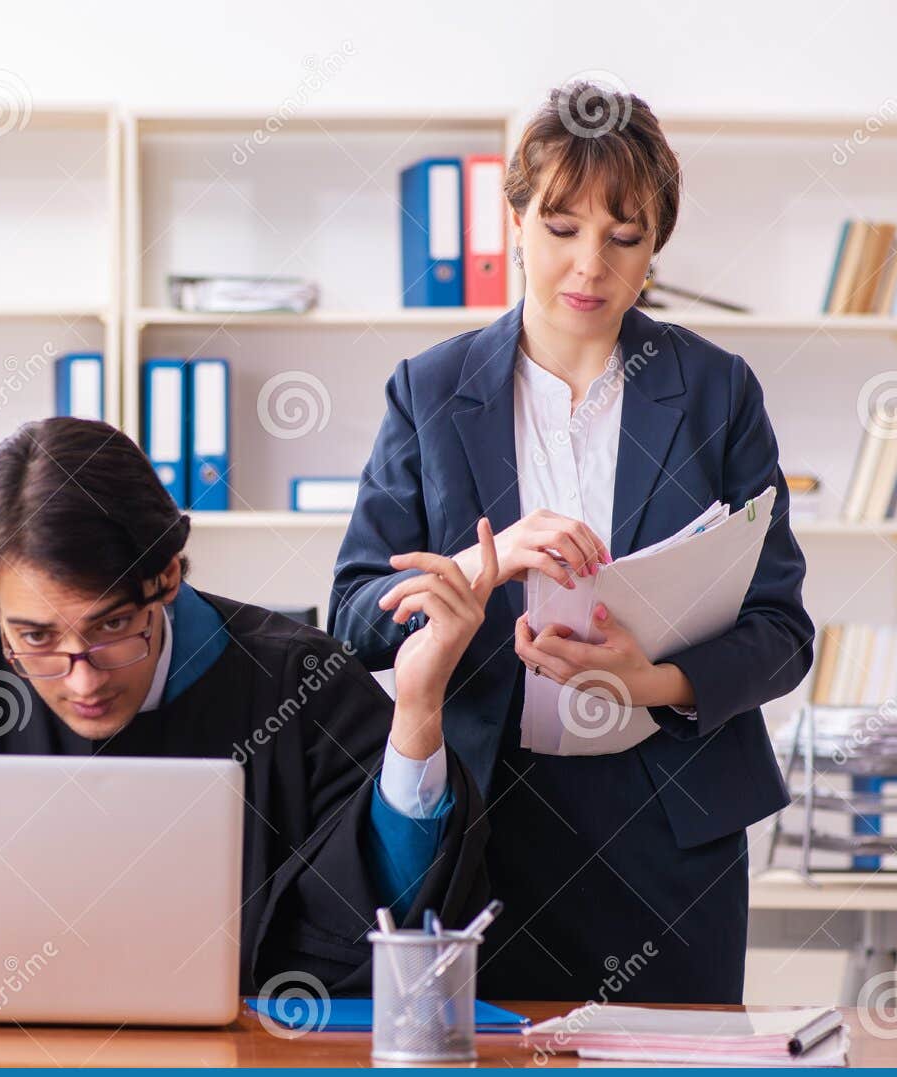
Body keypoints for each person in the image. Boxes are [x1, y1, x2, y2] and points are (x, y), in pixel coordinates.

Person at [0, 417, 500, 1003]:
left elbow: (391, 929)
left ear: (168, 575)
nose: (81, 679)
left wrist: (419, 711)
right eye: (36, 637)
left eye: (112, 627)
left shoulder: (302, 686)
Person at [329, 82, 814, 1004]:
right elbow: (353, 618)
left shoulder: (717, 392)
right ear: (513, 220)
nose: (588, 265)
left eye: (623, 238)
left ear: (654, 248)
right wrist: (486, 563)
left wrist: (650, 683)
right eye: (560, 228)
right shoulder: (429, 393)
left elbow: (782, 633)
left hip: (673, 825)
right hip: (486, 821)